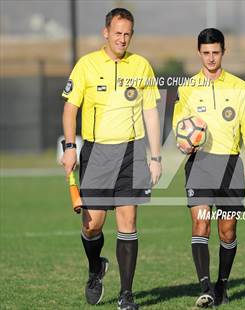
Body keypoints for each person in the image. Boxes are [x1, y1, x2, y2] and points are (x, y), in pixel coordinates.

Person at [61, 8, 161, 310]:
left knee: (128, 222)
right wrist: (69, 146)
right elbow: (70, 109)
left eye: (127, 33)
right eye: (117, 33)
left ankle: (126, 295)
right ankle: (95, 268)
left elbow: (151, 112)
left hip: (131, 152)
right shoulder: (86, 65)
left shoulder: (141, 65)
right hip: (97, 152)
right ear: (106, 32)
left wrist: (155, 156)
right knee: (92, 225)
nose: (122, 39)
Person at [172, 28, 245, 308]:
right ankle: (205, 287)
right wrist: (182, 143)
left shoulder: (240, 87)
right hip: (200, 163)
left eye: (216, 52)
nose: (211, 58)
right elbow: (179, 126)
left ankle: (222, 283)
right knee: (200, 224)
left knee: (228, 231)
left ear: (223, 52)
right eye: (206, 53)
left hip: (230, 163)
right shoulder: (187, 88)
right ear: (199, 53)